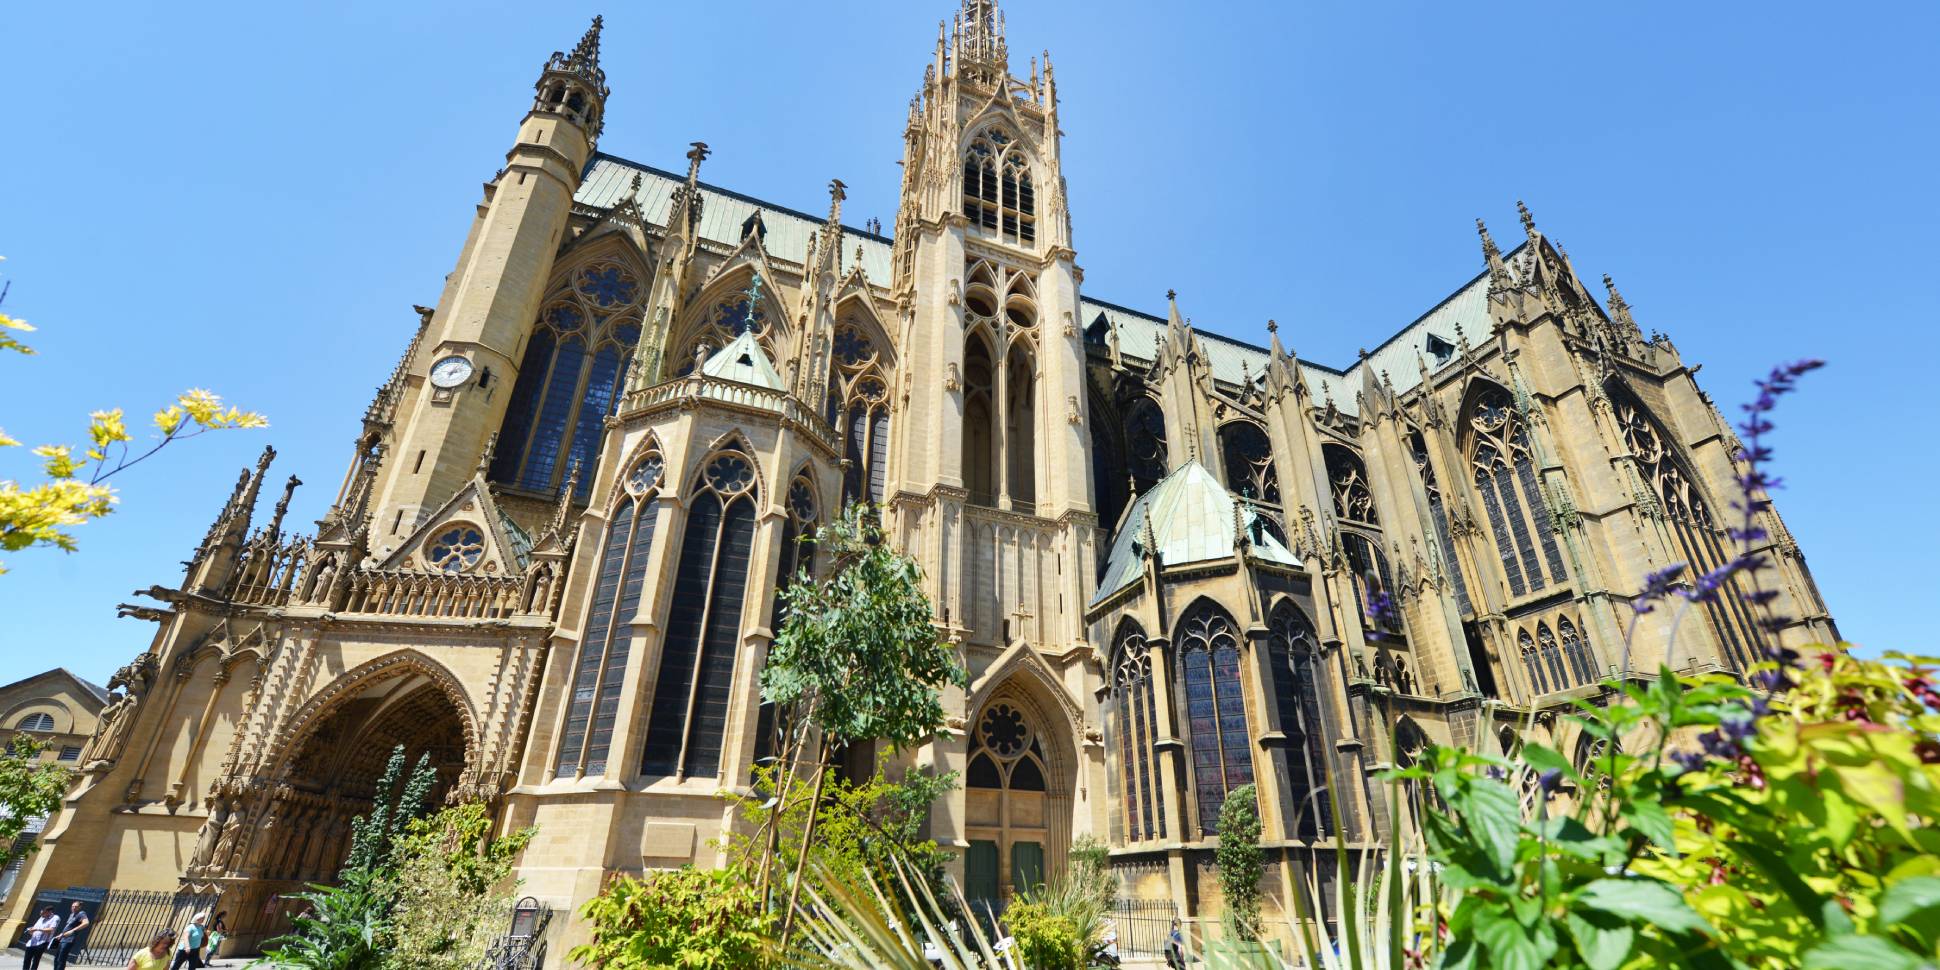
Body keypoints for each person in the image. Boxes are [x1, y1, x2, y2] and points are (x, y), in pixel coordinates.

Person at [49, 901, 89, 970]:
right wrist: (61, 935)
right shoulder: (72, 914)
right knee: (57, 959)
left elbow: (86, 923)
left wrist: (72, 931)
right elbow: (68, 927)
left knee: (61, 959)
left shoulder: (81, 913)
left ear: (79, 907)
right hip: (62, 938)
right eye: (72, 906)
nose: (73, 908)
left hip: (69, 940)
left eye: (76, 907)